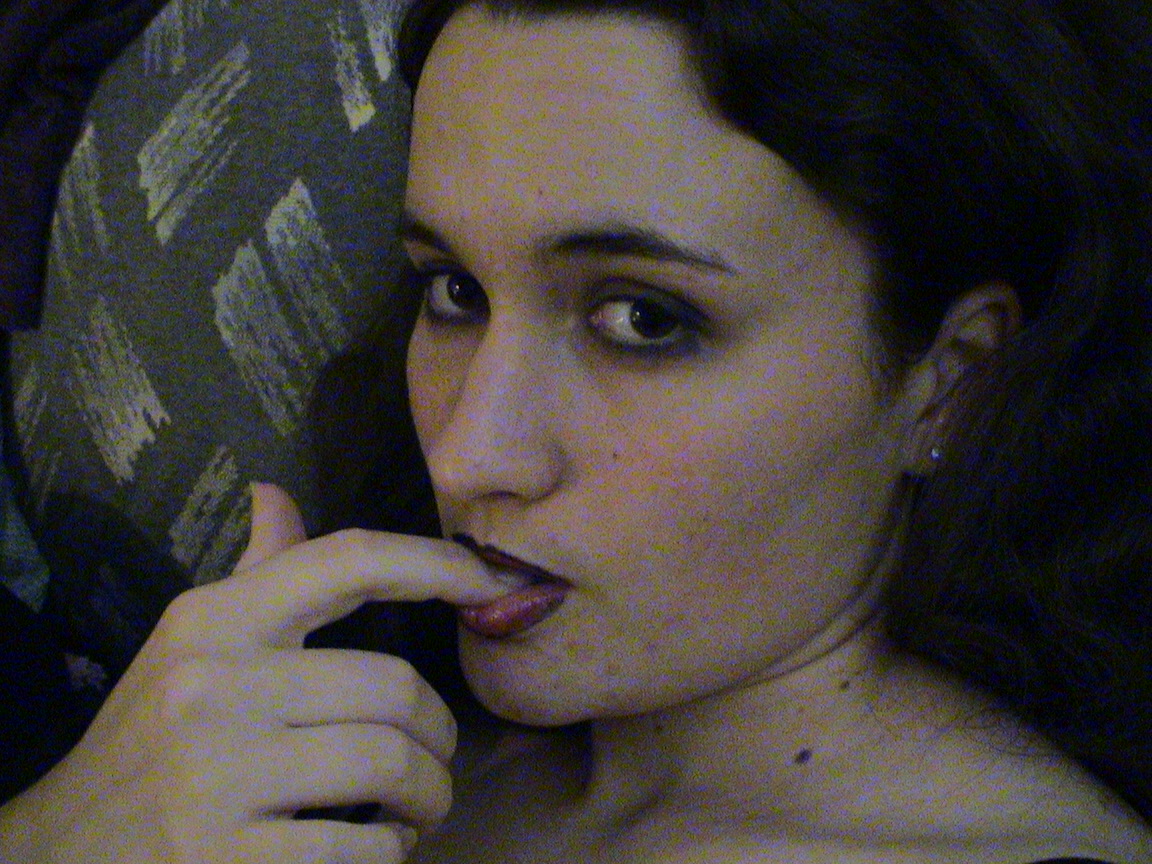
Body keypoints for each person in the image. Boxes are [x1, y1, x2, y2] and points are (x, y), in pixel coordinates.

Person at [2, 1, 1151, 862]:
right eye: (453, 290)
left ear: (949, 385)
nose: (468, 456)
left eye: (643, 319)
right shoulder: (339, 744)